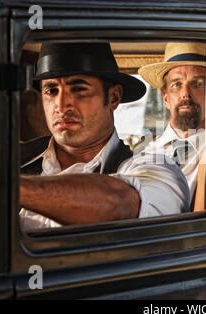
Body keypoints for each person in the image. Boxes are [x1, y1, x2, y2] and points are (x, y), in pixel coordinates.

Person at [20, 42, 190, 232]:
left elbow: (119, 205)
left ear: (113, 98)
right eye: (51, 91)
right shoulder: (13, 158)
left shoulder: (156, 169)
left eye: (78, 89)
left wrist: (5, 187)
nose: (61, 105)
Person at [138, 42, 206, 209]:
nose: (185, 93)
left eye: (198, 84)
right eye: (176, 84)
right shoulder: (144, 154)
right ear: (165, 98)